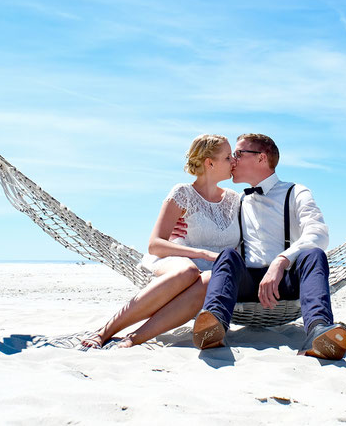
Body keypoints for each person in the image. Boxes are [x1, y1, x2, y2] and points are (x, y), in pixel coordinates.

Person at [192, 133, 346, 360]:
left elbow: (319, 233)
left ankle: (318, 329)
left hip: (287, 281)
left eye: (238, 154)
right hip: (246, 283)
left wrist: (281, 260)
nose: (233, 161)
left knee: (314, 254)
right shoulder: (236, 200)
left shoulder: (296, 192)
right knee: (226, 255)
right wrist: (182, 228)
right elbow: (212, 232)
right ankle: (212, 326)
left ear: (261, 158)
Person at [81, 134, 241, 348]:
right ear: (209, 162)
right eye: (228, 157)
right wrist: (201, 254)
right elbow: (155, 244)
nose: (234, 161)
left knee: (208, 280)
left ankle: (135, 337)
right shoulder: (183, 193)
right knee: (188, 271)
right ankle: (105, 331)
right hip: (177, 259)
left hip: (214, 270)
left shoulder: (235, 199)